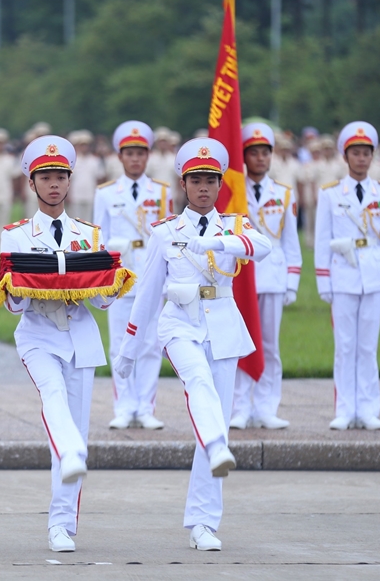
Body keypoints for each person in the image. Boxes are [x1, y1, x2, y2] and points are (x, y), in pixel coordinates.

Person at [114, 137, 272, 551]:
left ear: (220, 185)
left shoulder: (235, 226)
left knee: (215, 411)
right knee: (199, 385)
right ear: (184, 185)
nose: (203, 187)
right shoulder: (166, 232)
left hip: (221, 325)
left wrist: (218, 243)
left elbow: (264, 247)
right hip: (180, 325)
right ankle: (218, 445)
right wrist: (128, 351)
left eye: (210, 181)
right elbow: (147, 294)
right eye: (196, 180)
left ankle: (203, 523)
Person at [0, 135, 117, 553]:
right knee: (52, 396)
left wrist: (110, 282)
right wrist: (18, 286)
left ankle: (61, 524)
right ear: (31, 184)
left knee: (77, 431)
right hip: (38, 333)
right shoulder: (15, 235)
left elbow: (102, 301)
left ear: (70, 182)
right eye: (45, 177)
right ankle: (68, 453)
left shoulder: (89, 234)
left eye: (60, 177)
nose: (53, 184)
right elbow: (13, 305)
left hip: (80, 335)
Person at [315, 121, 380, 431]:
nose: (361, 159)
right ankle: (345, 409)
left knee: (368, 347)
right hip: (344, 275)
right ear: (345, 156)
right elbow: (323, 239)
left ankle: (368, 409)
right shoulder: (331, 194)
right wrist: (324, 280)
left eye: (366, 153)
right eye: (356, 153)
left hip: (374, 273)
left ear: (373, 156)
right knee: (345, 345)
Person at [93, 121, 173, 430]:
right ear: (120, 156)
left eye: (141, 153)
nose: (135, 159)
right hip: (120, 277)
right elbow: (99, 238)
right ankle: (124, 405)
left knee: (151, 342)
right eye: (129, 153)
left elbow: (167, 237)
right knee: (120, 343)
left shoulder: (162, 193)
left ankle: (146, 406)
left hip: (152, 275)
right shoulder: (106, 193)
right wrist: (103, 280)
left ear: (148, 155)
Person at [230, 123, 302, 430]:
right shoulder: (233, 192)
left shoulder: (283, 194)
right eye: (254, 153)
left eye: (265, 153)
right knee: (239, 343)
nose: (260, 158)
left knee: (269, 345)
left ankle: (266, 406)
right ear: (244, 157)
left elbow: (290, 242)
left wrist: (292, 282)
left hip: (272, 276)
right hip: (242, 278)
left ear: (272, 156)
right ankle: (239, 407)